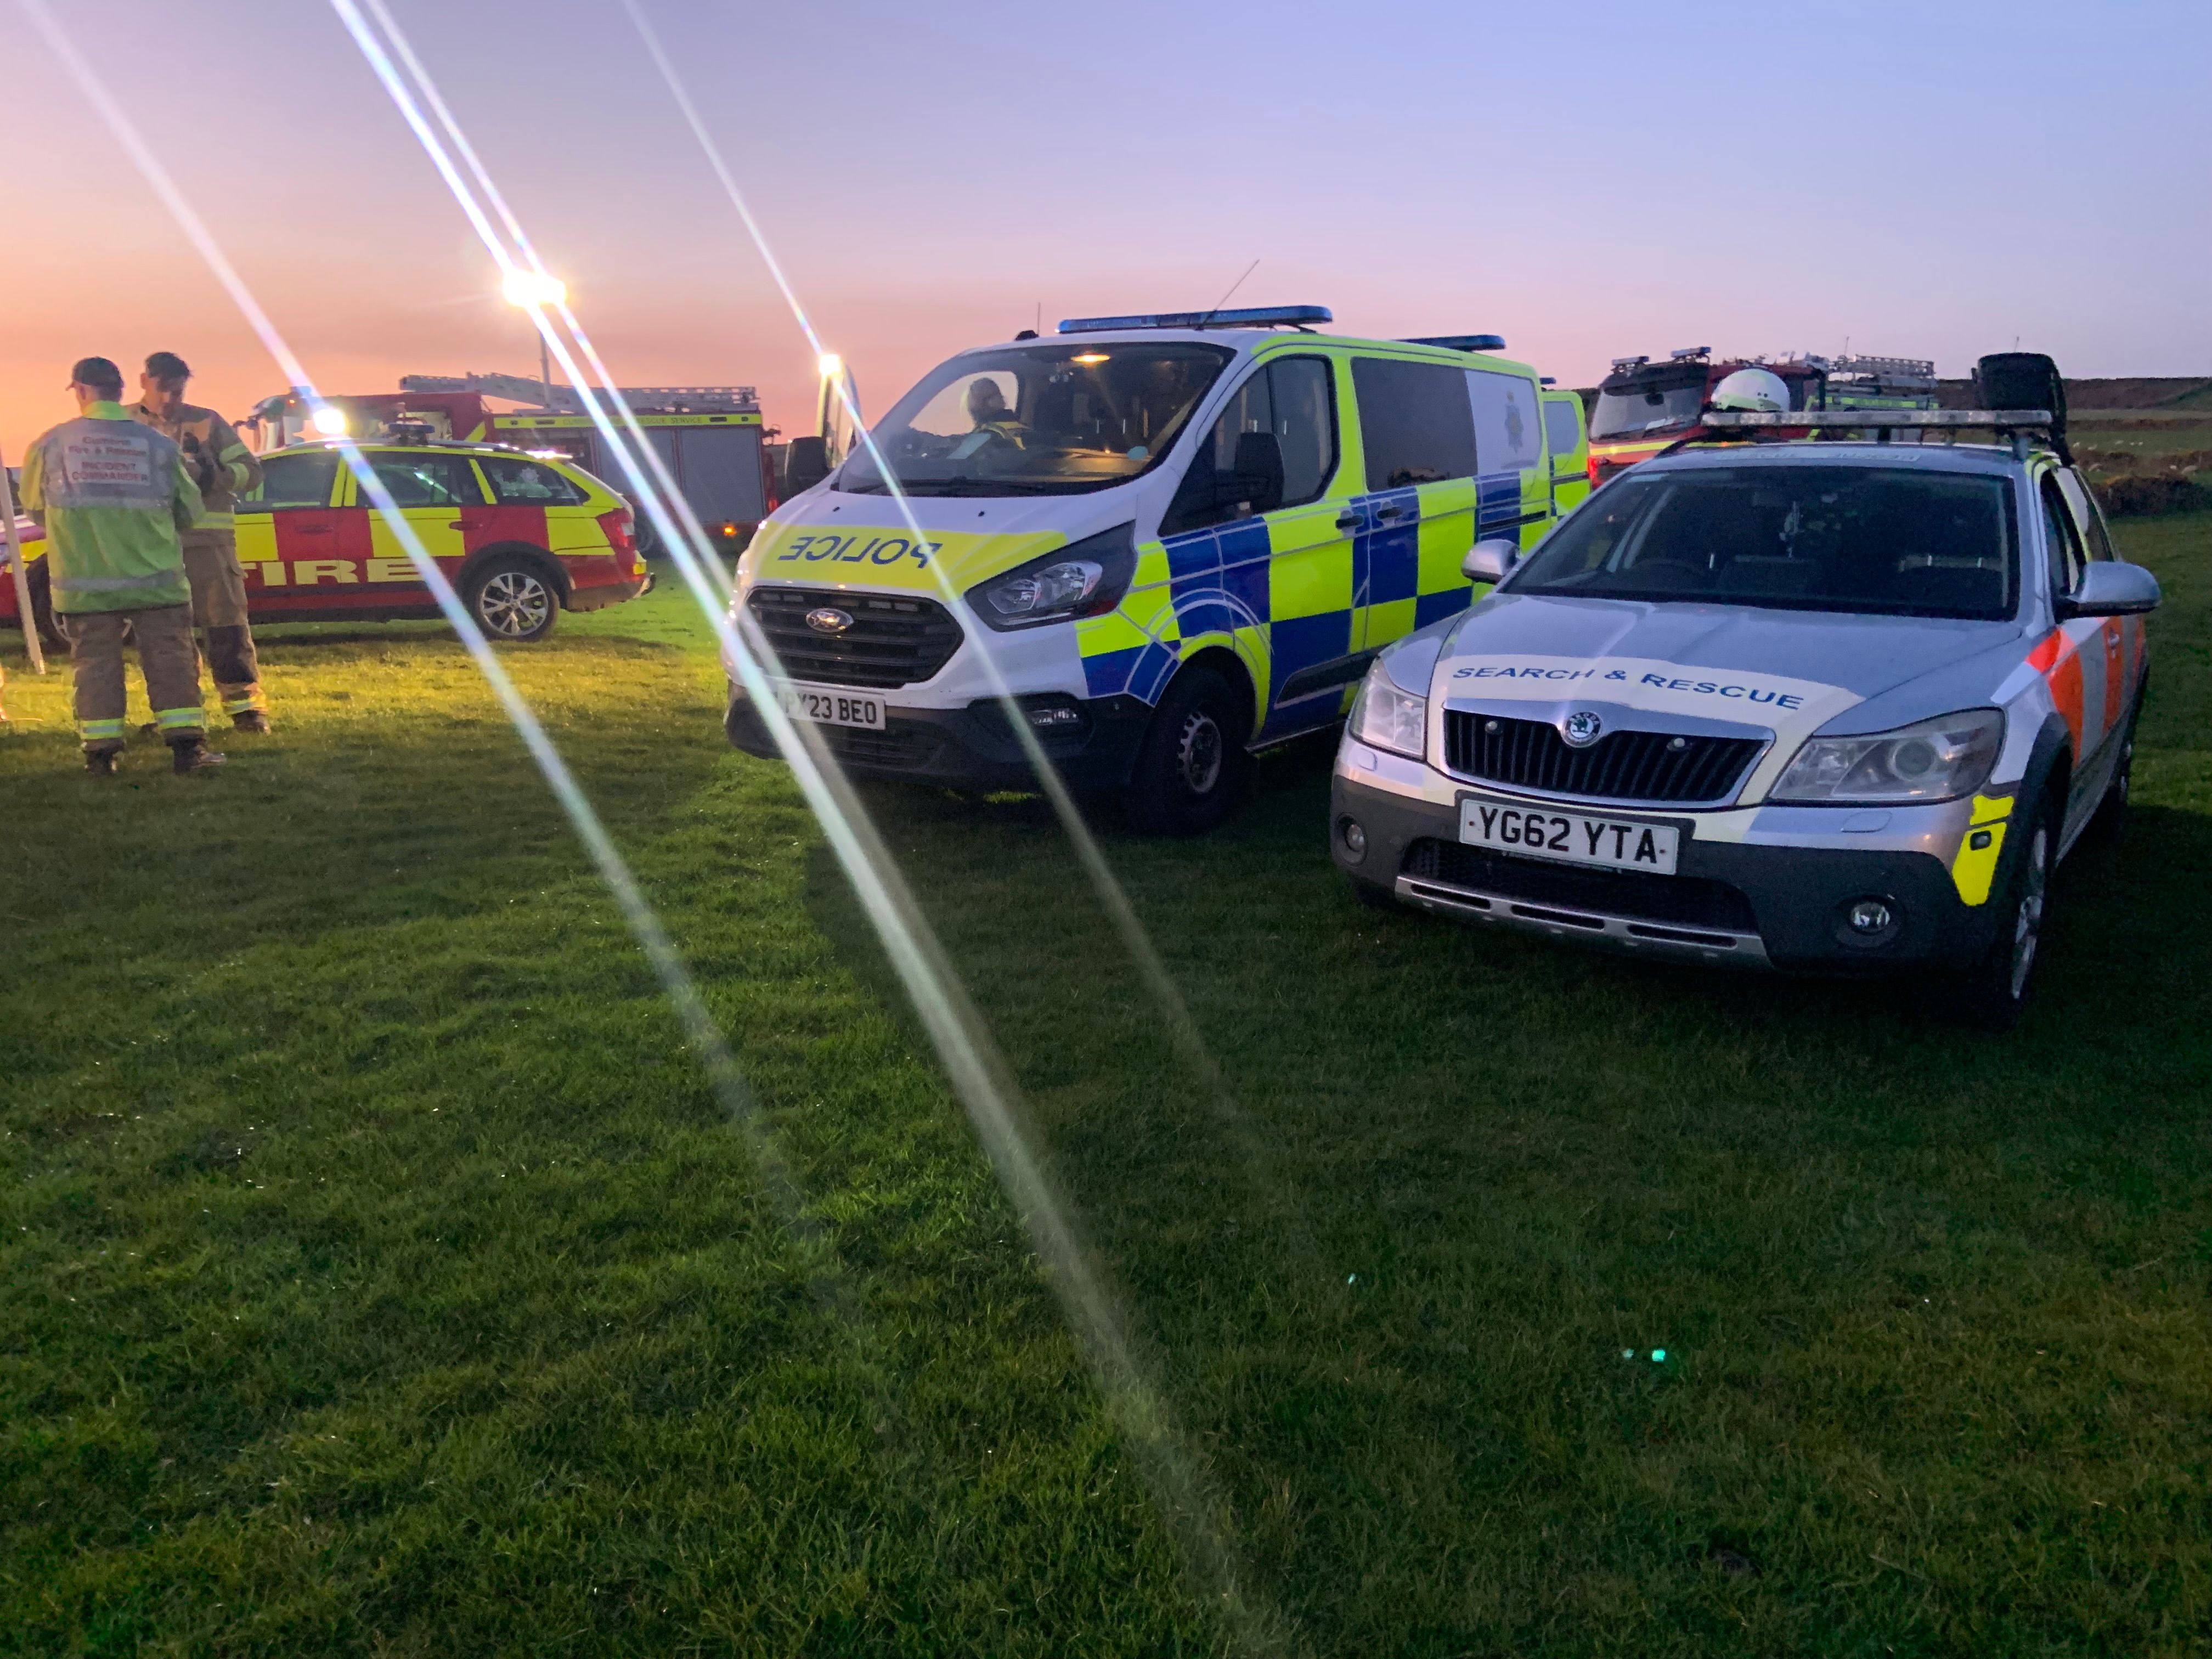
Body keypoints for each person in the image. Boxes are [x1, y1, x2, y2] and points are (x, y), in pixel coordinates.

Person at [18, 356, 222, 776]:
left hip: (85, 582)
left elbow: (36, 508)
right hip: (156, 580)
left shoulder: (51, 445)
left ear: (80, 390)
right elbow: (190, 512)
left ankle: (101, 755)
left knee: (95, 666)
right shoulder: (158, 446)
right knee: (171, 660)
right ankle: (187, 750)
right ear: (121, 391)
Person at [133, 350, 269, 731]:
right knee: (166, 637)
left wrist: (213, 475)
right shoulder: (126, 424)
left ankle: (246, 711)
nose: (169, 399)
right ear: (144, 381)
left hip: (208, 544)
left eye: (178, 391)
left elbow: (252, 472)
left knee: (227, 627)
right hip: (152, 546)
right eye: (163, 389)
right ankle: (177, 716)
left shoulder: (207, 422)